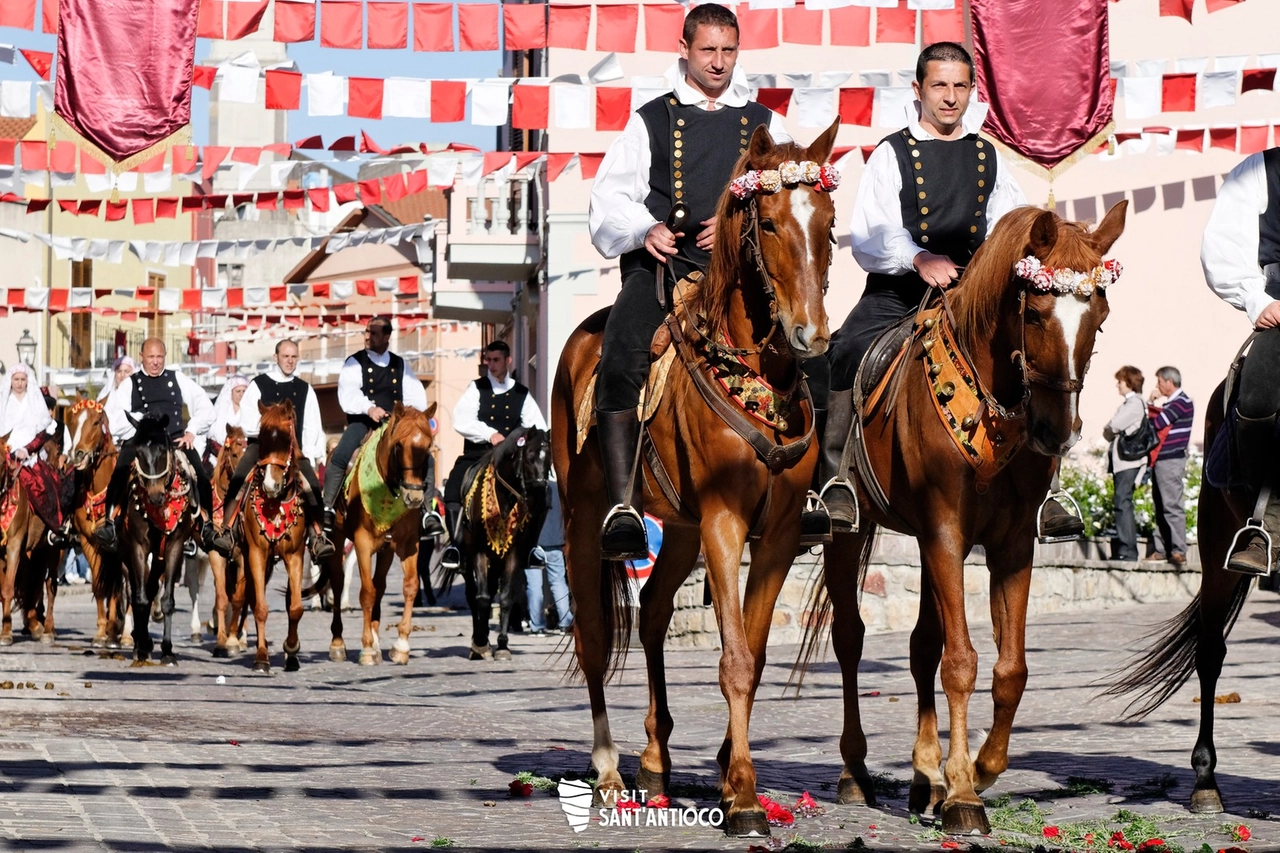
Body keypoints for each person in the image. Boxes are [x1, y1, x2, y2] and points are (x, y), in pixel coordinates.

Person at [815, 42, 1079, 539]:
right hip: (896, 295)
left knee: (1035, 352)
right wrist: (917, 257)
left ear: (971, 91)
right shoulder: (890, 153)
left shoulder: (987, 156)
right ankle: (835, 484)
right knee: (845, 351)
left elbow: (1010, 226)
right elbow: (873, 233)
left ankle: (1051, 488)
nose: (951, 97)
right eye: (940, 85)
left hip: (972, 300)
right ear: (918, 90)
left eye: (960, 86)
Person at [588, 2, 790, 559]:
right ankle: (623, 503)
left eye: (728, 50)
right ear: (685, 50)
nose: (720, 61)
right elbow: (608, 200)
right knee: (623, 348)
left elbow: (787, 200)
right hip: (666, 267)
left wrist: (732, 228)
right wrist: (644, 228)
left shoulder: (765, 123)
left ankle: (814, 492)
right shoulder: (651, 118)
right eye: (708, 50)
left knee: (809, 348)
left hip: (743, 277)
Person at [1202, 146, 1280, 573]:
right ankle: (1264, 520)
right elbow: (1224, 244)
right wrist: (1256, 299)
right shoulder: (1260, 170)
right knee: (1256, 397)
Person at [210, 340, 335, 560]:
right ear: (275, 357)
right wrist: (269, 433)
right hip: (262, 446)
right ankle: (227, 531)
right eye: (285, 356)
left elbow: (312, 426)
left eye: (294, 357)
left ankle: (318, 536)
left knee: (313, 486)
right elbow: (247, 422)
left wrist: (309, 455)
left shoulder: (305, 389)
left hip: (293, 450)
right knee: (239, 478)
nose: (290, 361)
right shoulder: (259, 384)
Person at [96, 338, 218, 552]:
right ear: (141, 357)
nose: (155, 362)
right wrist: (142, 426)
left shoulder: (177, 378)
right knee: (120, 472)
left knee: (200, 474)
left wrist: (191, 431)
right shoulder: (129, 383)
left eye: (159, 357)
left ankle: (205, 526)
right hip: (139, 440)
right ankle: (111, 523)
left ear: (165, 356)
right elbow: (116, 419)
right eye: (151, 357)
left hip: (174, 441)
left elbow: (205, 406)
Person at [441, 340, 547, 571]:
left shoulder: (522, 393)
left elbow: (538, 428)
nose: (491, 364)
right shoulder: (476, 388)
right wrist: (490, 434)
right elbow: (461, 419)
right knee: (453, 487)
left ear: (508, 360)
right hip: (478, 454)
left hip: (511, 460)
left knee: (541, 492)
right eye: (488, 360)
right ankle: (456, 546)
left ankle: (531, 548)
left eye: (496, 360)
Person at [321, 316, 431, 536]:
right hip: (363, 422)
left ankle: (428, 512)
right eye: (367, 332)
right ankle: (328, 508)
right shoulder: (355, 361)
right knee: (341, 454)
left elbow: (416, 397)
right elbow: (348, 393)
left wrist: (406, 417)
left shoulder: (400, 364)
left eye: (373, 333)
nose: (368, 337)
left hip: (395, 425)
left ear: (387, 336)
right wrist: (369, 408)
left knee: (424, 457)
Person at [0, 364, 72, 547]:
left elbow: (43, 432)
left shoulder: (34, 401)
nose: (19, 383)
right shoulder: (3, 400)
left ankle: (53, 529)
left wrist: (27, 449)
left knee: (46, 484)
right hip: (5, 453)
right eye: (16, 379)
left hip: (28, 457)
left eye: (22, 380)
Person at [1142, 367, 1194, 567]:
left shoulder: (1181, 402)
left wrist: (1150, 402)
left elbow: (1157, 423)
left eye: (1159, 382)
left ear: (1169, 381)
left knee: (1171, 505)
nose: (1157, 386)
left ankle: (1178, 550)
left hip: (1171, 460)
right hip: (1163, 460)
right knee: (1160, 505)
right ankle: (1162, 549)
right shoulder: (1174, 403)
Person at [1103, 366, 1148, 562]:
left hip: (1128, 462)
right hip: (1124, 462)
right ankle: (1126, 548)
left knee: (1122, 503)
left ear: (1129, 383)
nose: (1117, 385)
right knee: (1121, 502)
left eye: (1120, 381)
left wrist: (1108, 430)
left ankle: (1128, 550)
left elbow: (1113, 426)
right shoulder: (1131, 403)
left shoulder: (1135, 403)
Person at [524, 475, 571, 636]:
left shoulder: (527, 490)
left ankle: (537, 625)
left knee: (534, 586)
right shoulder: (558, 488)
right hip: (555, 542)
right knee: (558, 583)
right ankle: (565, 622)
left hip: (532, 544)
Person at [206, 374, 249, 471]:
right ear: (231, 392)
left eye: (244, 391)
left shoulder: (250, 412)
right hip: (218, 456)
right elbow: (213, 436)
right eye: (238, 391)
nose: (241, 394)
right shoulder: (221, 411)